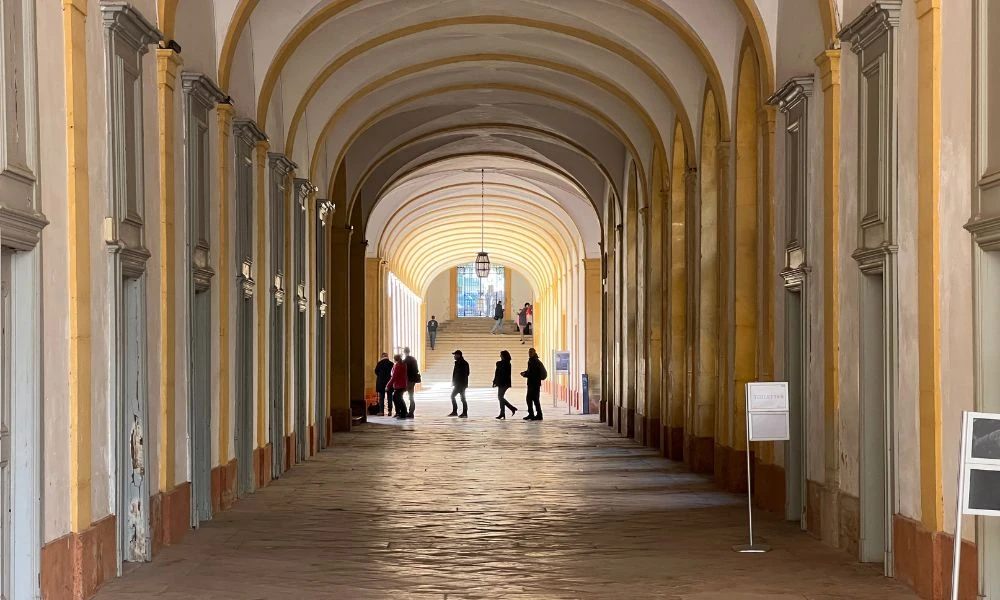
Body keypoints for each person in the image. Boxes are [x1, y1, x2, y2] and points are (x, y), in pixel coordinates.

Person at [520, 347, 547, 421]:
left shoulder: (534, 361)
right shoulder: (534, 360)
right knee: (534, 399)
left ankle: (534, 414)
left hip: (533, 383)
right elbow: (530, 371)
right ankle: (537, 414)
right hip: (534, 383)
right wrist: (525, 372)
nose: (529, 353)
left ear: (534, 353)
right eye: (529, 352)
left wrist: (525, 374)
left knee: (530, 399)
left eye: (531, 352)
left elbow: (532, 373)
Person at [492, 350, 518, 419]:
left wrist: (496, 381)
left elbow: (504, 374)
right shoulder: (500, 363)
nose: (500, 356)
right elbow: (496, 373)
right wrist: (494, 381)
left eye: (501, 355)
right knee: (501, 397)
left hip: (504, 383)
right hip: (501, 382)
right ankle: (502, 413)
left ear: (504, 356)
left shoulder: (507, 364)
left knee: (500, 397)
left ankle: (511, 408)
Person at [448, 349, 470, 418]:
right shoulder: (458, 363)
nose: (454, 356)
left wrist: (460, 382)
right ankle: (458, 412)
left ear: (458, 355)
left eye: (455, 355)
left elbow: (466, 373)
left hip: (461, 384)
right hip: (459, 384)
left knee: (460, 398)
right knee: (459, 398)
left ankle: (463, 412)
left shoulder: (463, 363)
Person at [388, 354, 408, 420]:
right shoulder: (403, 364)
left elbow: (394, 377)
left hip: (399, 385)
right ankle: (401, 412)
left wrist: (388, 385)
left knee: (397, 398)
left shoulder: (398, 365)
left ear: (395, 359)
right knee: (398, 398)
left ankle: (402, 413)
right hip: (402, 384)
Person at [403, 347, 420, 419]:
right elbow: (416, 370)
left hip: (407, 380)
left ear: (404, 352)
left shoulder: (404, 361)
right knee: (411, 396)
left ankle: (404, 411)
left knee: (399, 395)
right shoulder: (414, 360)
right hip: (413, 380)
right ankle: (411, 412)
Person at [374, 352, 393, 416]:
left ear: (382, 357)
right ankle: (390, 411)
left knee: (381, 397)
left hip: (381, 382)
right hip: (389, 382)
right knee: (389, 397)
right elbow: (393, 372)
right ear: (387, 356)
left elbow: (376, 371)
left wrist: (380, 376)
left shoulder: (379, 363)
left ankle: (381, 411)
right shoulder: (391, 363)